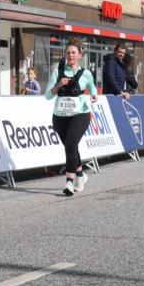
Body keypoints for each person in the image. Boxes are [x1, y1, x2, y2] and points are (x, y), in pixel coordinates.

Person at [46, 39, 99, 197]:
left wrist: (95, 94)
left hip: (80, 114)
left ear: (80, 55)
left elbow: (92, 86)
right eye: (68, 53)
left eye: (73, 52)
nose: (70, 55)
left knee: (70, 145)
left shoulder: (86, 73)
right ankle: (81, 175)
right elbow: (48, 95)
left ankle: (69, 182)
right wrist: (58, 87)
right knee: (71, 147)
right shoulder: (58, 72)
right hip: (60, 116)